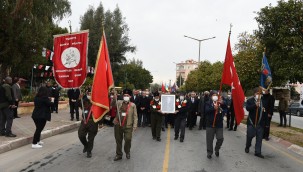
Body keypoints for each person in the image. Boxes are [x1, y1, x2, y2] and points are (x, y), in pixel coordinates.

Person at [113, 89, 138, 161]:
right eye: (124, 95)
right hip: (118, 124)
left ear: (130, 96)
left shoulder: (133, 105)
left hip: (128, 125)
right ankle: (119, 154)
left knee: (128, 139)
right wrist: (114, 97)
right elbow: (112, 104)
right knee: (118, 140)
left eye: (127, 95)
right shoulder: (119, 102)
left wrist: (135, 125)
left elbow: (135, 116)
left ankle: (127, 151)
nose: (126, 96)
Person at [245, 87, 268, 158]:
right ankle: (247, 146)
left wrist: (266, 123)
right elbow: (248, 108)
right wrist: (255, 105)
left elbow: (265, 113)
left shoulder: (263, 101)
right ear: (254, 94)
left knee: (259, 138)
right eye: (257, 93)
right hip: (251, 123)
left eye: (260, 93)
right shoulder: (250, 100)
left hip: (260, 123)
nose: (259, 95)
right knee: (250, 136)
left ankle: (258, 152)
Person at [205, 91, 224, 159]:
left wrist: (222, 104)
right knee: (209, 140)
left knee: (220, 138)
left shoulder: (220, 103)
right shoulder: (208, 103)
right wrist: (213, 108)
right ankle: (209, 152)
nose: (215, 96)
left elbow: (226, 109)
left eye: (216, 95)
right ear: (211, 96)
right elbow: (206, 111)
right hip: (210, 124)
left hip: (219, 124)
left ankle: (217, 149)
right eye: (213, 95)